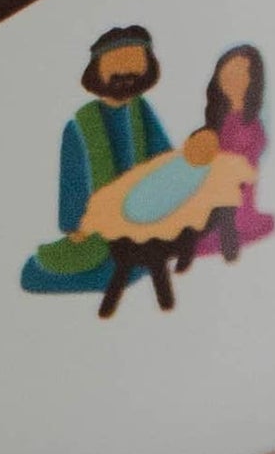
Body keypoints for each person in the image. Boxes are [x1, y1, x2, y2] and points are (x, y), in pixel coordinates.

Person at [22, 26, 174, 297]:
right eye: (116, 65)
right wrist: (74, 226)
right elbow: (73, 181)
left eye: (134, 66)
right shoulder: (80, 126)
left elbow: (164, 159)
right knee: (36, 271)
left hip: (144, 215)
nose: (126, 75)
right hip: (100, 225)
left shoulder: (142, 111)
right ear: (97, 70)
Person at [194, 41, 275, 258]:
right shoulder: (218, 121)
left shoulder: (251, 125)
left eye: (241, 73)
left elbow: (242, 169)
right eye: (228, 71)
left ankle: (224, 232)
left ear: (252, 80)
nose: (233, 78)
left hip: (234, 202)